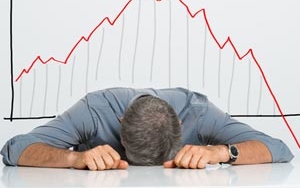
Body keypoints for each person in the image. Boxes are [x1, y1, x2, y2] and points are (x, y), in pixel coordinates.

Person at [1, 87, 294, 170]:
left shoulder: (198, 111)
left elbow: (281, 150)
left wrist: (221, 152)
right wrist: (74, 159)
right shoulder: (94, 110)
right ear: (119, 127)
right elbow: (14, 149)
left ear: (181, 125)